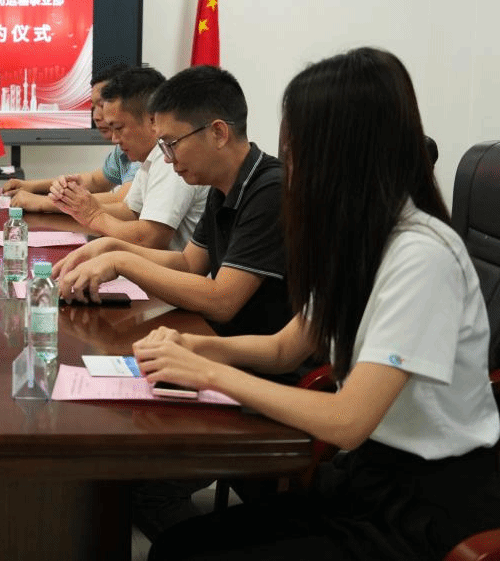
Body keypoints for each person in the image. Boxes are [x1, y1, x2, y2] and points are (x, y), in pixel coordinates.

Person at [138, 47, 500, 560]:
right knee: (181, 544)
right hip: (366, 476)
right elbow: (285, 349)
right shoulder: (356, 240)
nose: (291, 167)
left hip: (425, 502)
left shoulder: (422, 255)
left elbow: (349, 419)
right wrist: (195, 348)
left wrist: (210, 374)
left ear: (345, 154)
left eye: (299, 150)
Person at [53, 66, 293, 539]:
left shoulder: (269, 190)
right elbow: (188, 263)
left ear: (218, 133)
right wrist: (110, 249)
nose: (166, 158)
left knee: (140, 485)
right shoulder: (225, 185)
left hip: (263, 373)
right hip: (218, 352)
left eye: (172, 144)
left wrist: (123, 261)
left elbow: (222, 302)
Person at [50, 67, 209, 250]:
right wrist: (79, 202)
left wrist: (94, 215)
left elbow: (151, 238)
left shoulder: (169, 159)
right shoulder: (150, 157)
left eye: (118, 128)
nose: (114, 139)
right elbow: (131, 213)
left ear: (152, 120)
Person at [5, 67, 140, 212]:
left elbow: (124, 201)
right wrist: (30, 186)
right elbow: (95, 181)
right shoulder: (122, 149)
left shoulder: (142, 149)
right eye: (93, 107)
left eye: (102, 105)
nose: (96, 116)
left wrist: (43, 202)